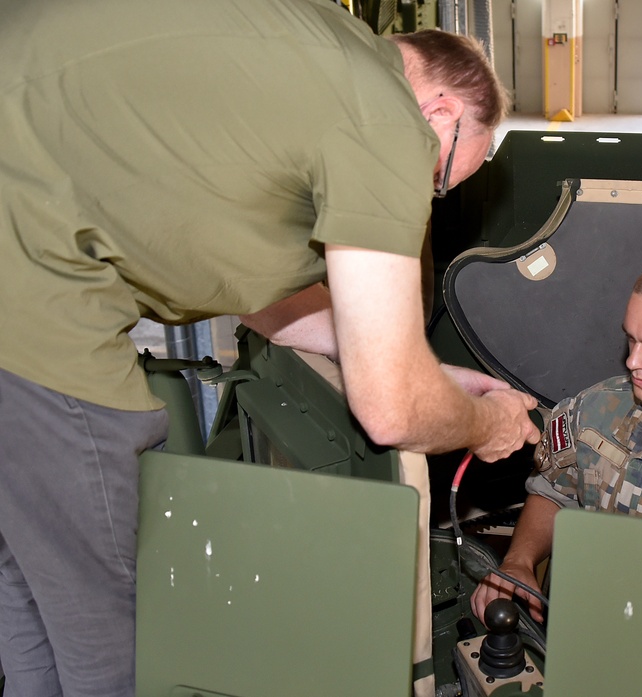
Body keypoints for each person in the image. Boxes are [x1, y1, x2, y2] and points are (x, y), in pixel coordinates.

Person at [0, 1, 540, 695]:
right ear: (438, 111)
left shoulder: (308, 52)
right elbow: (389, 410)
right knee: (117, 641)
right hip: (34, 314)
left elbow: (266, 304)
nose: (427, 193)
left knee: (30, 596)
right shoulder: (385, 119)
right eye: (438, 177)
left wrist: (427, 372)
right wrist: (486, 423)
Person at [471, 254, 642, 623]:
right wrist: (519, 560)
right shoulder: (595, 409)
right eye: (631, 340)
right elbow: (553, 490)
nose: (633, 361)